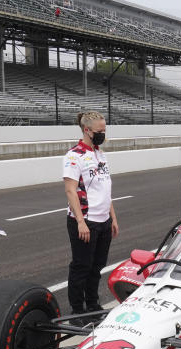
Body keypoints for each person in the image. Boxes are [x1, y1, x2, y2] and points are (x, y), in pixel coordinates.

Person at [63, 111, 119, 317]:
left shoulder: (100, 154)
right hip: (85, 221)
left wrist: (113, 217)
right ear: (87, 130)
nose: (103, 134)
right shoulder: (74, 155)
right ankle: (77, 311)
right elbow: (70, 190)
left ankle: (93, 305)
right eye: (100, 131)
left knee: (97, 266)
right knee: (81, 267)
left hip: (103, 220)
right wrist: (80, 222)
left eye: (104, 130)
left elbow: (105, 188)